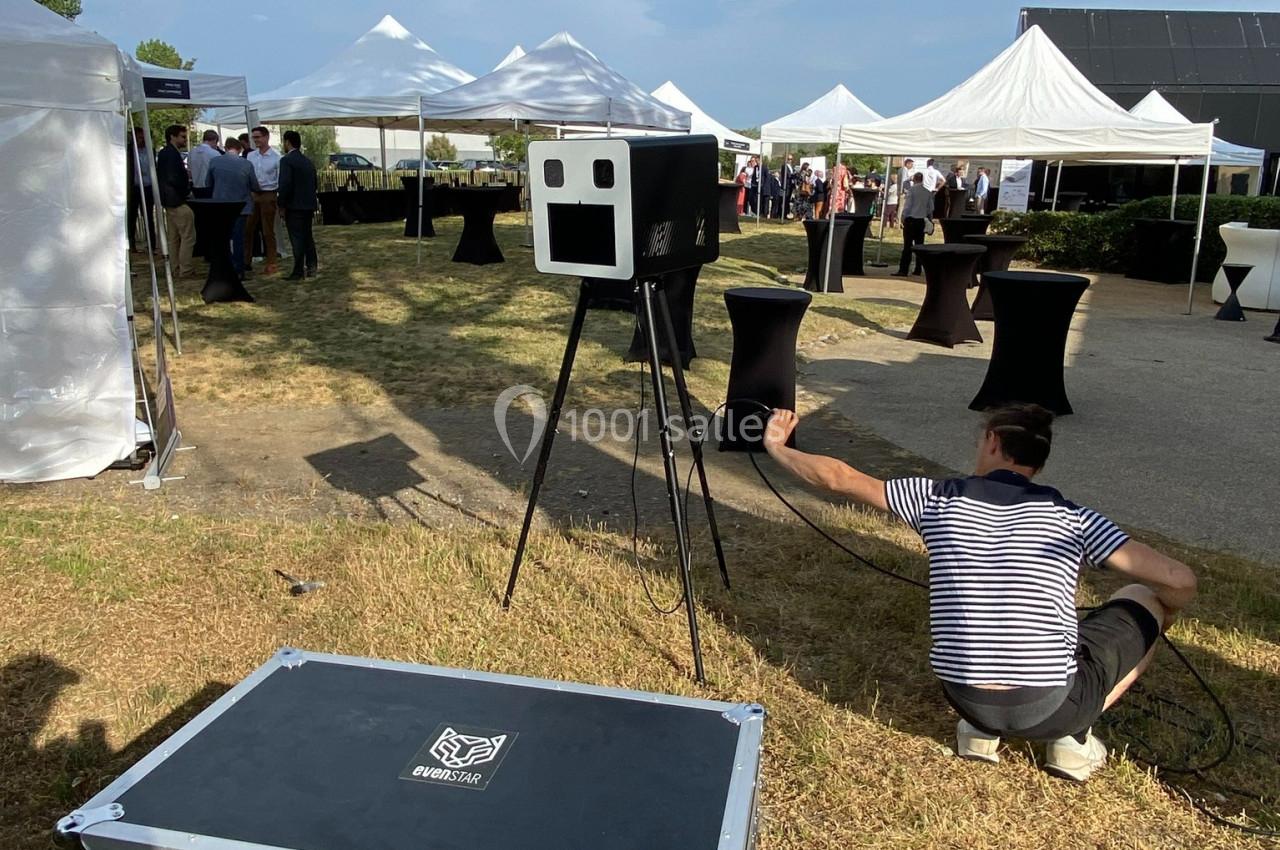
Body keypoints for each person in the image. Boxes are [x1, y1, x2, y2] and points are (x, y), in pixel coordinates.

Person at [762, 403, 1197, 783]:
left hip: (964, 697)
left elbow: (838, 477)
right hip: (1049, 706)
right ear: (1038, 466)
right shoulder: (1076, 519)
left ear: (991, 441)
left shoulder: (934, 497)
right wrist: (1166, 616)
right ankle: (1072, 738)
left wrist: (777, 446)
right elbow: (1179, 580)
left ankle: (981, 734)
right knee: (1142, 595)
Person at [206, 137, 260, 278]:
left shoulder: (214, 161)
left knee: (223, 238)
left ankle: (225, 267)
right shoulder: (246, 164)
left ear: (225, 147)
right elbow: (254, 185)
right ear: (240, 149)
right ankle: (239, 270)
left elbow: (207, 183)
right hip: (241, 206)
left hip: (221, 205)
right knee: (238, 238)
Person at [277, 130, 318, 280]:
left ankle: (298, 270)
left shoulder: (286, 161)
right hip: (308, 204)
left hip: (294, 206)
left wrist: (281, 204)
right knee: (307, 236)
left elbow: (285, 184)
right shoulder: (308, 161)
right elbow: (314, 183)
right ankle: (312, 266)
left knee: (296, 239)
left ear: (287, 142)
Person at [156, 123, 195, 278]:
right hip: (176, 199)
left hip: (168, 199)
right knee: (188, 235)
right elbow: (174, 178)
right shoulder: (171, 154)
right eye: (183, 137)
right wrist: (185, 189)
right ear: (173, 136)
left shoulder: (166, 153)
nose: (185, 140)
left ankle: (175, 267)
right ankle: (185, 268)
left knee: (174, 237)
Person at [245, 126, 281, 275]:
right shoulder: (251, 156)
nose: (256, 140)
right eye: (254, 137)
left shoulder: (276, 157)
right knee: (248, 229)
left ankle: (271, 262)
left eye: (258, 137)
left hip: (268, 194)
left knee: (267, 231)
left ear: (266, 137)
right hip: (253, 195)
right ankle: (246, 261)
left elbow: (279, 178)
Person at [893, 172, 931, 276]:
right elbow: (930, 208)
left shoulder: (912, 191)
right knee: (920, 246)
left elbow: (908, 206)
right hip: (921, 221)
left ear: (914, 179)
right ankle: (918, 268)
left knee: (907, 246)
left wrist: (903, 217)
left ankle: (904, 269)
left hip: (911, 220)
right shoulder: (927, 192)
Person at [126, 126, 156, 253]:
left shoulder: (150, 150)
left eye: (143, 137)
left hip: (148, 187)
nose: (141, 140)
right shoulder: (128, 151)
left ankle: (151, 244)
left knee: (148, 216)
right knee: (131, 217)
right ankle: (131, 243)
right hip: (133, 188)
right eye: (138, 137)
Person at [188, 129, 221, 198]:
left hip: (196, 188)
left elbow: (190, 172)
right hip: (211, 188)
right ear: (215, 140)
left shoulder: (191, 152)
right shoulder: (214, 153)